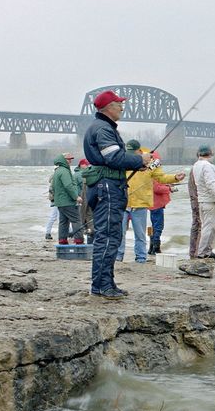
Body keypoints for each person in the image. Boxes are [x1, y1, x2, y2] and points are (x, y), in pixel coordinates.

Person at [81, 90, 152, 299]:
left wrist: (134, 163)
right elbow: (113, 157)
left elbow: (113, 159)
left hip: (106, 187)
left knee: (111, 235)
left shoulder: (101, 127)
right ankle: (103, 286)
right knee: (109, 236)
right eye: (119, 104)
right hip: (108, 189)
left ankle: (105, 282)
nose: (122, 107)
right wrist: (140, 160)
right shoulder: (103, 129)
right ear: (108, 107)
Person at [118, 141, 184, 263]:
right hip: (122, 203)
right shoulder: (122, 159)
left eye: (133, 153)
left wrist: (175, 177)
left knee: (140, 235)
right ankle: (118, 257)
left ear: (139, 151)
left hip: (140, 203)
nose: (131, 155)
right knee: (119, 234)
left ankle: (141, 258)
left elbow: (161, 177)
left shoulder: (151, 161)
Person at [188, 145, 215, 259]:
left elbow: (204, 181)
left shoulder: (196, 165)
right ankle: (202, 252)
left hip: (202, 201)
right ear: (210, 154)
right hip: (210, 201)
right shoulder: (208, 166)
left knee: (210, 227)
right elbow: (210, 184)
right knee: (210, 228)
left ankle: (207, 251)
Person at [50, 152, 81, 244]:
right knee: (76, 220)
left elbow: (53, 187)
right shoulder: (64, 171)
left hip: (60, 202)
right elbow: (68, 186)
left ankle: (62, 240)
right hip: (68, 202)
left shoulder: (58, 171)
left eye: (71, 159)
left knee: (63, 222)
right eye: (68, 159)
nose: (70, 161)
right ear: (63, 160)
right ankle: (79, 240)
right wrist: (76, 197)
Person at [148, 151, 173, 256]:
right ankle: (156, 247)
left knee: (152, 225)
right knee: (158, 226)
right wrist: (169, 188)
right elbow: (156, 188)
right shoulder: (153, 172)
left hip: (150, 203)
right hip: (157, 203)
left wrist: (166, 184)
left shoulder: (147, 170)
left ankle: (151, 247)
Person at [75, 158, 93, 241]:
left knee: (80, 217)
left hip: (78, 199)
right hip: (81, 199)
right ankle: (83, 237)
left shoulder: (75, 173)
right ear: (81, 165)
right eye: (86, 164)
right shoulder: (82, 174)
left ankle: (79, 236)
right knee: (86, 216)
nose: (87, 166)